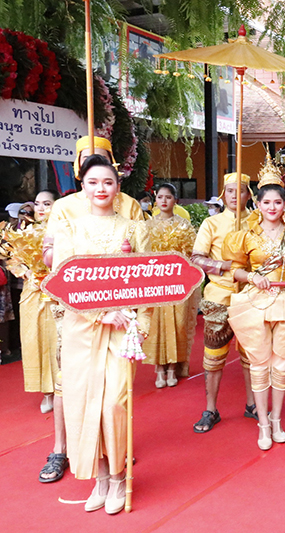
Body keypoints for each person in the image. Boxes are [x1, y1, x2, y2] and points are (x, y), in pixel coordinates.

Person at [38, 135, 143, 485]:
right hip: (80, 319)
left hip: (121, 319)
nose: (100, 187)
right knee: (78, 396)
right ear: (80, 177)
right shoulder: (66, 214)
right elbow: (58, 270)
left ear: (117, 179)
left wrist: (138, 316)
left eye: (107, 179)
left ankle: (116, 471)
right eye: (92, 178)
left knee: (115, 400)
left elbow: (149, 273)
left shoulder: (131, 214)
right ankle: (83, 464)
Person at [223, 174, 285, 450]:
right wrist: (252, 278)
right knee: (260, 365)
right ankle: (262, 422)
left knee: (282, 364)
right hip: (256, 301)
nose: (273, 207)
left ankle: (277, 419)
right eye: (267, 202)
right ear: (258, 205)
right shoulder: (245, 236)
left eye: (278, 202)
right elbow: (235, 269)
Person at [191, 172, 257, 433]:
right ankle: (210, 408)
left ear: (248, 195)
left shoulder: (257, 221)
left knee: (251, 354)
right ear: (223, 194)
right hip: (219, 295)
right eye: (229, 191)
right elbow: (197, 258)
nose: (234, 195)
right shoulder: (211, 223)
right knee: (213, 356)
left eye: (239, 190)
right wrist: (225, 265)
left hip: (250, 295)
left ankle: (253, 403)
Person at [6, 190, 59, 414]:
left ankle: (61, 388)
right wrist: (28, 273)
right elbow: (13, 261)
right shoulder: (24, 232)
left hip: (57, 292)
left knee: (57, 339)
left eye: (47, 204)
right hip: (32, 292)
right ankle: (46, 391)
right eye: (37, 203)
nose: (40, 208)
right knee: (35, 339)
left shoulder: (64, 231)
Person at [142, 183, 198, 388]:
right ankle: (159, 369)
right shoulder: (146, 226)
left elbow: (193, 254)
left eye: (168, 197)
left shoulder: (184, 225)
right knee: (155, 325)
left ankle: (173, 367)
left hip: (178, 283)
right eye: (160, 197)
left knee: (177, 324)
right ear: (155, 200)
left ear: (175, 200)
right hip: (154, 283)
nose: (164, 201)